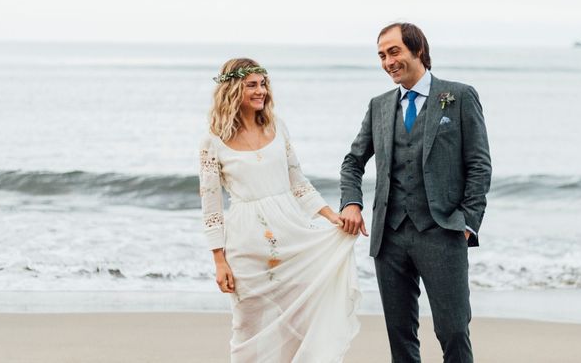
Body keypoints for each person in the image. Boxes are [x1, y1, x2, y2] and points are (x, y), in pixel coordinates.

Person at [339, 23, 491, 363]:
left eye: (394, 52)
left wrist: (467, 222)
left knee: (453, 330)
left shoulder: (459, 96)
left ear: (418, 50)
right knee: (400, 336)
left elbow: (479, 165)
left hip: (442, 232)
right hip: (389, 238)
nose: (388, 61)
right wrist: (351, 202)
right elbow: (353, 162)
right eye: (381, 55)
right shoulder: (378, 106)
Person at [199, 57, 360, 362]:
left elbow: (298, 183)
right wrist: (219, 261)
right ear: (233, 89)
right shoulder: (213, 141)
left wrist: (331, 216)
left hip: (290, 236)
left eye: (263, 84)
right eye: (252, 85)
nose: (261, 91)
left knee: (297, 320)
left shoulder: (277, 127)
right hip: (245, 244)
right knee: (246, 325)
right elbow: (211, 206)